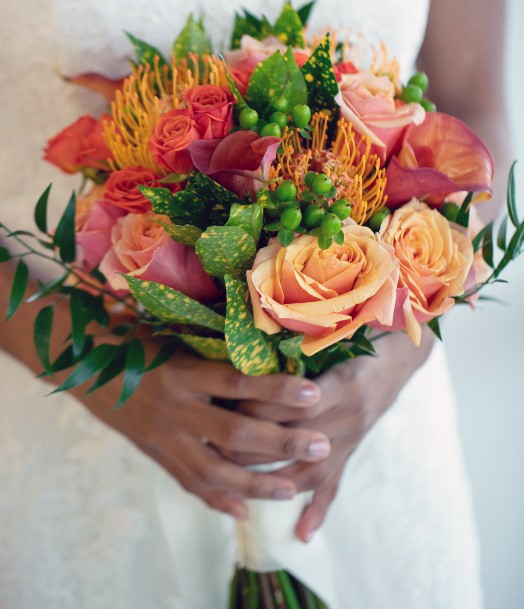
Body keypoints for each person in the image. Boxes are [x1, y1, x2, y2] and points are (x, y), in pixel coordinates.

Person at [0, 0, 510, 607]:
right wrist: (92, 364)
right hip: (70, 406)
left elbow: (477, 117)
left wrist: (398, 353)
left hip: (368, 417)